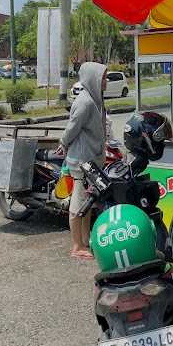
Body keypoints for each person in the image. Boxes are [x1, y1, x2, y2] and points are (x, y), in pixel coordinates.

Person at [57, 61, 107, 259]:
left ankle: (85, 241)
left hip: (92, 161)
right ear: (92, 78)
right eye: (102, 77)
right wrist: (63, 142)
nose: (105, 81)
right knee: (78, 205)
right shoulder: (85, 102)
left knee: (88, 204)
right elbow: (72, 128)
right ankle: (77, 246)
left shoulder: (96, 100)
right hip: (81, 162)